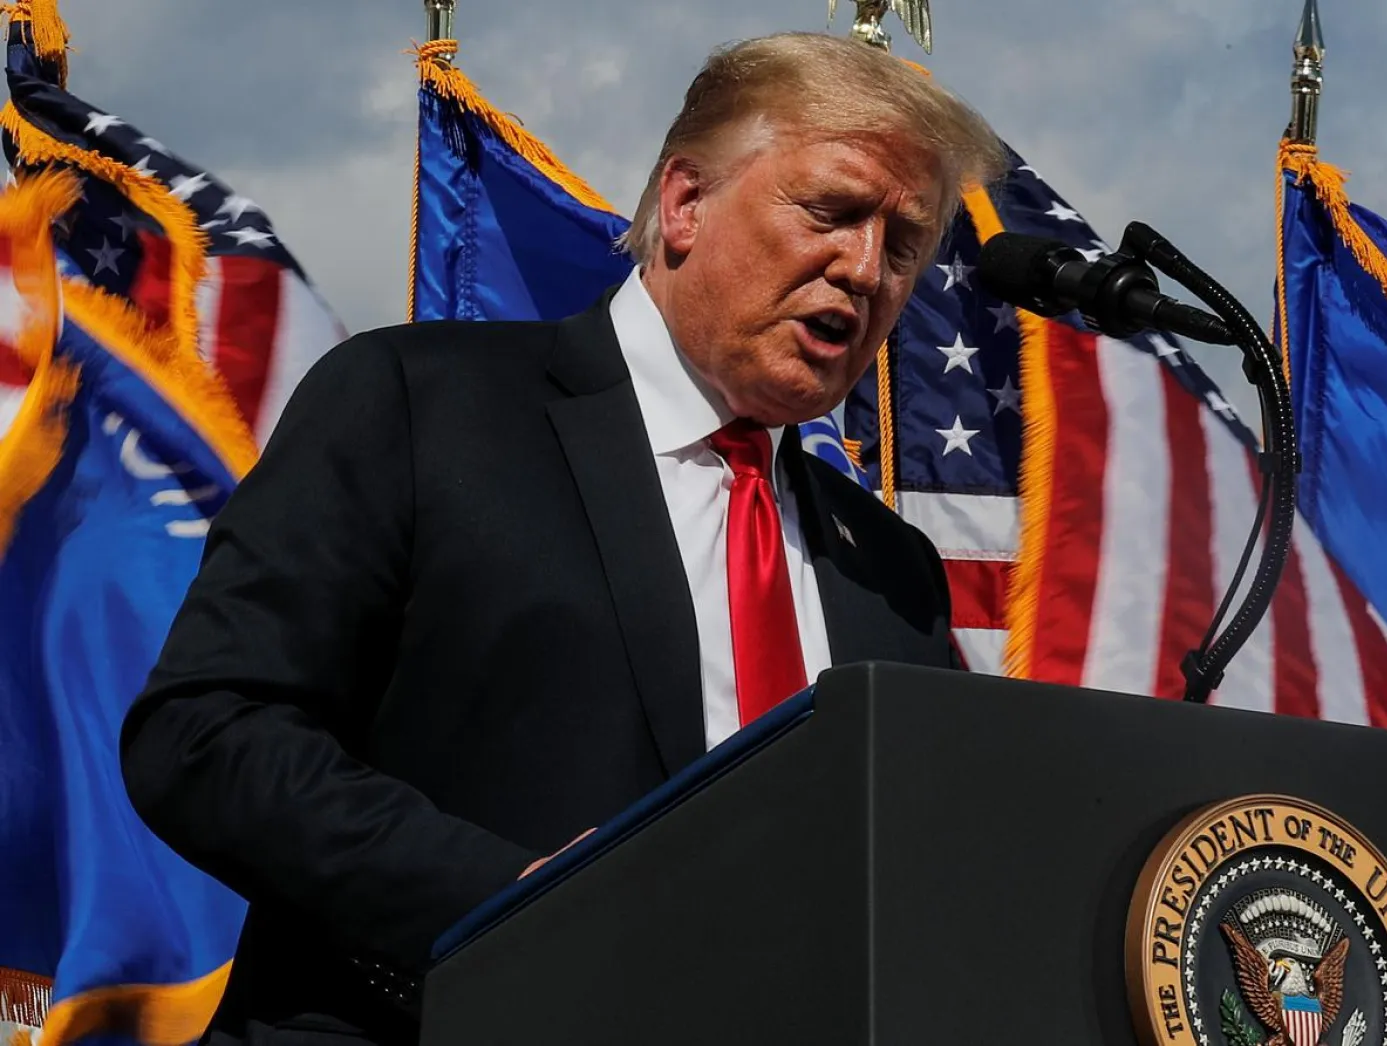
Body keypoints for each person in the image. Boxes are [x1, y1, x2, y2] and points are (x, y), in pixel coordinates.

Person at [119, 31, 1006, 1046]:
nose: (865, 269)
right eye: (832, 211)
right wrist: (513, 906)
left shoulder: (891, 571)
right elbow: (206, 733)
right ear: (685, 202)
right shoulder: (420, 405)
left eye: (904, 244)